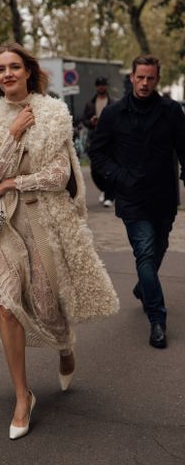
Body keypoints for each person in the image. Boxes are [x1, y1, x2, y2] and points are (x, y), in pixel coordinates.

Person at [0, 43, 119, 440]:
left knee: (46, 304)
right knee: (7, 306)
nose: (7, 74)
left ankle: (65, 345)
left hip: (42, 221)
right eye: (0, 70)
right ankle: (22, 396)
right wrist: (11, 135)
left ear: (28, 71)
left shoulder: (53, 112)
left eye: (14, 67)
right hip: (1, 225)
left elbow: (59, 174)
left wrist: (15, 181)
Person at [89, 55, 185, 349]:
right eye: (140, 77)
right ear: (131, 77)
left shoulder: (171, 111)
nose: (144, 83)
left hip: (164, 196)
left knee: (158, 248)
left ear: (157, 79)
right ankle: (157, 319)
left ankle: (144, 286)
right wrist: (118, 177)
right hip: (131, 197)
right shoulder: (114, 114)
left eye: (150, 78)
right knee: (144, 253)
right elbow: (97, 152)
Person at [82, 76, 115, 207]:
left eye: (103, 85)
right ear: (96, 87)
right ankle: (105, 190)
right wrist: (90, 121)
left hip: (110, 140)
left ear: (106, 86)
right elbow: (83, 119)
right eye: (99, 85)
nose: (101, 87)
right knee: (95, 170)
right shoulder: (90, 103)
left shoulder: (113, 103)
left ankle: (109, 196)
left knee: (109, 168)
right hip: (94, 140)